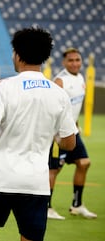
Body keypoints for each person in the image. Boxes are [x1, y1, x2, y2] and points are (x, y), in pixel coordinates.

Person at [0, 27, 77, 241]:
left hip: (0, 179)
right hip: (36, 182)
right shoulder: (59, 93)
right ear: (44, 57)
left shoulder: (3, 87)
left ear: (17, 54)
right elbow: (69, 143)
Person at [47, 48, 97, 220]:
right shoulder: (60, 81)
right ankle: (47, 208)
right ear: (64, 63)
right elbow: (51, 108)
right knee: (54, 169)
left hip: (73, 131)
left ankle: (77, 205)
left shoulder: (81, 78)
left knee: (84, 163)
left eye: (77, 60)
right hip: (58, 134)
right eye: (71, 60)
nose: (75, 63)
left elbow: (73, 108)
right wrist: (55, 135)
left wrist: (76, 124)